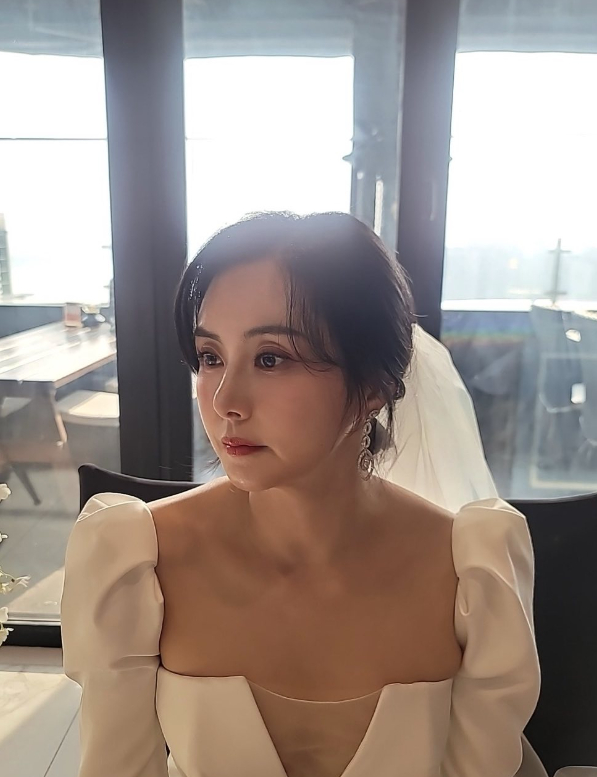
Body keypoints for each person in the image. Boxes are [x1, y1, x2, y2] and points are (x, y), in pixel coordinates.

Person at [60, 211, 541, 777]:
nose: (225, 401)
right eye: (211, 357)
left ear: (373, 386)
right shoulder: (137, 559)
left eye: (271, 358)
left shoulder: (470, 570)